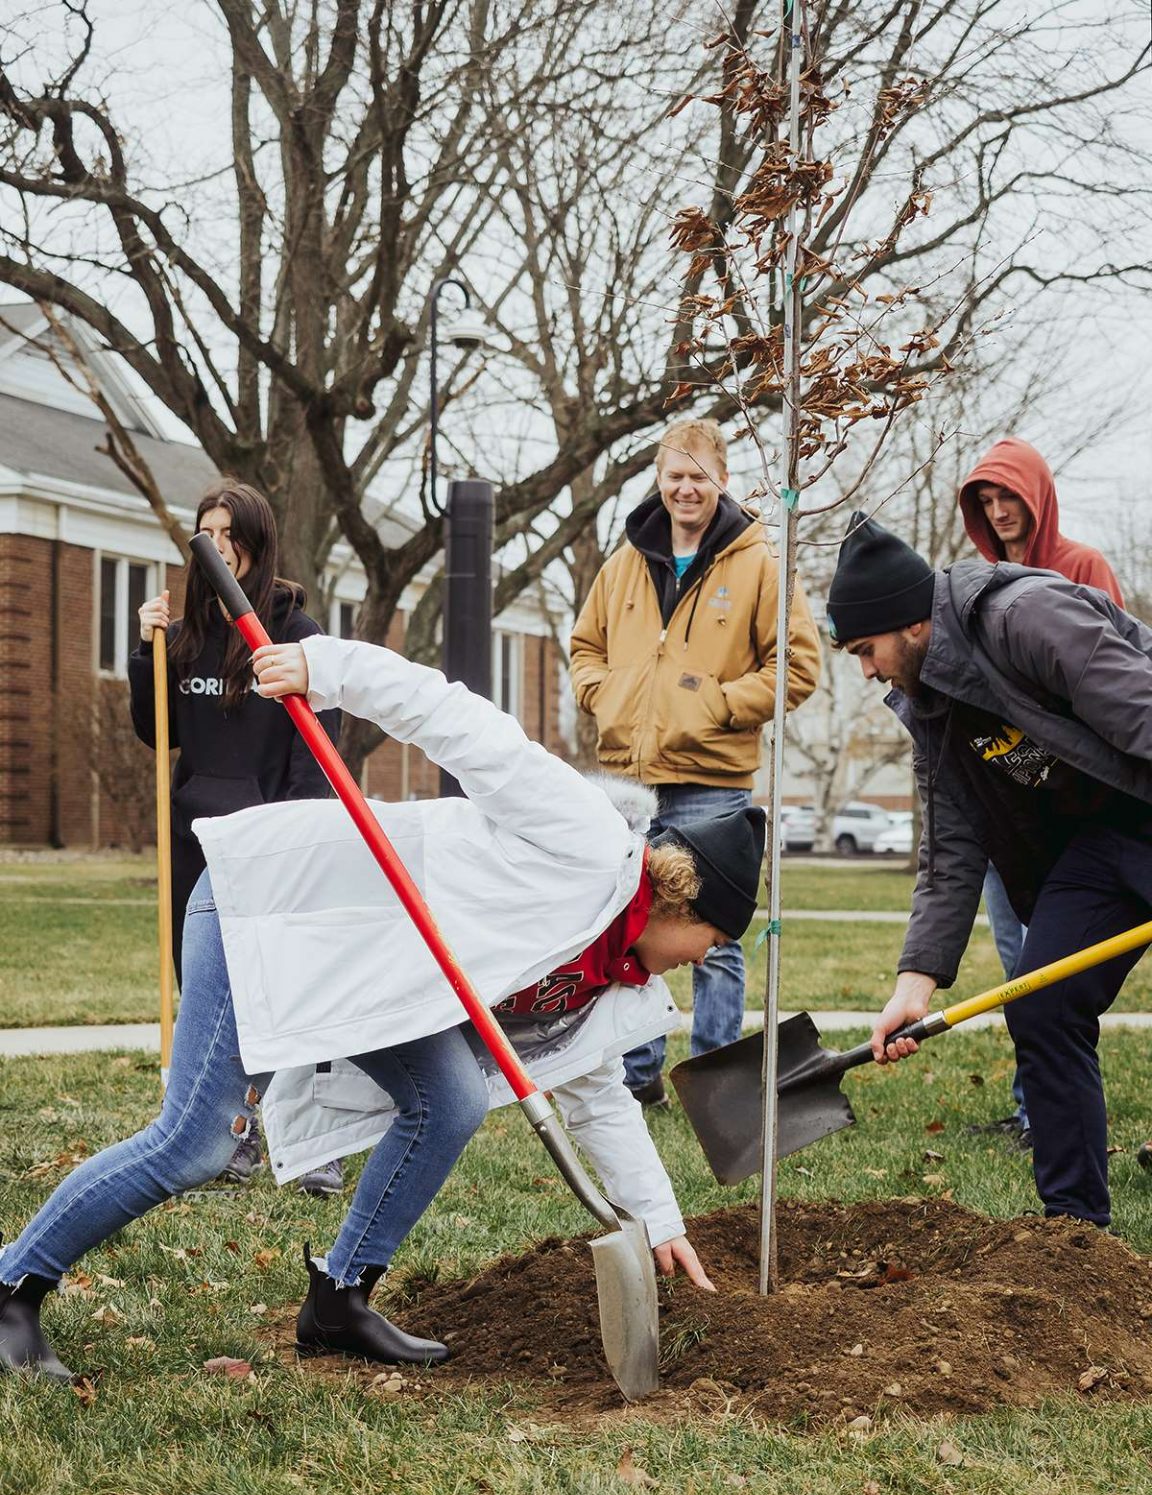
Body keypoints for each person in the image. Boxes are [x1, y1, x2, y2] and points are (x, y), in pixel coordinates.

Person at [0, 634, 766, 1383]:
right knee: (195, 1144)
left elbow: (598, 1098)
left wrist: (660, 1222)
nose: (707, 959)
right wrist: (326, 667)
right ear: (682, 894)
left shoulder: (615, 979)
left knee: (452, 1100)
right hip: (280, 911)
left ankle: (340, 1297)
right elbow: (457, 720)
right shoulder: (585, 840)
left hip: (368, 979)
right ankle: (13, 1287)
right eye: (714, 938)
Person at [824, 513, 1152, 1230]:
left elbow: (1142, 709)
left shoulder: (1023, 617)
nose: (867, 670)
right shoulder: (929, 707)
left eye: (866, 649)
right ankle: (1074, 1234)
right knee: (1042, 1005)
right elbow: (949, 849)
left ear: (909, 624)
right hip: (1101, 844)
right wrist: (915, 984)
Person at [570, 419, 820, 1107]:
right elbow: (584, 647)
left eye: (699, 477)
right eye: (675, 476)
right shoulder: (625, 561)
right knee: (629, 918)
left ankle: (716, 1077)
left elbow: (797, 667)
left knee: (716, 931)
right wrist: (605, 695)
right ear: (659, 480)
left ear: (722, 481)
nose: (686, 489)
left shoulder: (761, 561)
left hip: (714, 778)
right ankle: (637, 1072)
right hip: (629, 774)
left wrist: (713, 705)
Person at [129, 480, 344, 1197]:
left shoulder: (297, 635)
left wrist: (295, 833)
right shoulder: (183, 637)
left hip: (268, 837)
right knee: (210, 997)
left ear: (256, 541)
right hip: (197, 836)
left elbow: (317, 752)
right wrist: (145, 650)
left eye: (231, 534)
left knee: (282, 991)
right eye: (207, 534)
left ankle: (312, 1142)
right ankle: (226, 1140)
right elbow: (153, 728)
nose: (218, 547)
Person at [958, 440, 1125, 1150]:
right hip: (1011, 804)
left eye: (1010, 501)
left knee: (1055, 966)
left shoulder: (1082, 568)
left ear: (1038, 499)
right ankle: (1034, 1110)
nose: (1000, 515)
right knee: (1015, 963)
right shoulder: (983, 582)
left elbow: (1110, 680)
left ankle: (1051, 1109)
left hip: (1076, 813)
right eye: (986, 504)